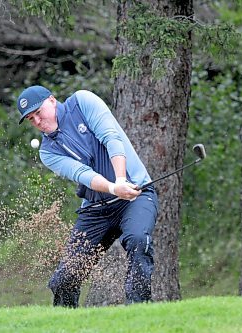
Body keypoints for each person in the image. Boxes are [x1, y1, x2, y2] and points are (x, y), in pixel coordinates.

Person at [16, 85, 158, 307]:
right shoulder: (48, 152)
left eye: (38, 112)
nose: (37, 121)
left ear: (52, 101)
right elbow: (84, 174)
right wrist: (113, 188)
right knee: (64, 278)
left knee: (139, 241)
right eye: (31, 119)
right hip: (96, 209)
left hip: (135, 195)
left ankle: (138, 312)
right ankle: (66, 326)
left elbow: (111, 138)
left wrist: (121, 181)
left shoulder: (82, 102)